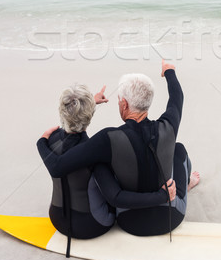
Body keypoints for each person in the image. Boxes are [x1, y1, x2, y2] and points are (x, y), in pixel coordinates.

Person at [37, 60, 199, 237]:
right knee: (179, 150)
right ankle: (184, 187)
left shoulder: (108, 138)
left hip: (129, 222)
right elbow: (177, 97)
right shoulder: (169, 125)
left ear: (124, 105)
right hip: (172, 218)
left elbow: (58, 164)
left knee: (114, 162)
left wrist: (41, 141)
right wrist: (169, 71)